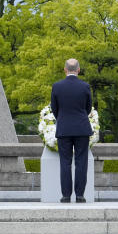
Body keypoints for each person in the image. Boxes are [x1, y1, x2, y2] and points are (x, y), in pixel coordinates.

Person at [50, 58, 93, 203]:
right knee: (81, 162)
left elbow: (54, 109)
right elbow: (88, 108)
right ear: (78, 70)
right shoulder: (85, 86)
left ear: (65, 69)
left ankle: (66, 195)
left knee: (65, 162)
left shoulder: (57, 86)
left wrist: (62, 118)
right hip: (81, 127)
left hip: (64, 128)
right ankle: (80, 195)